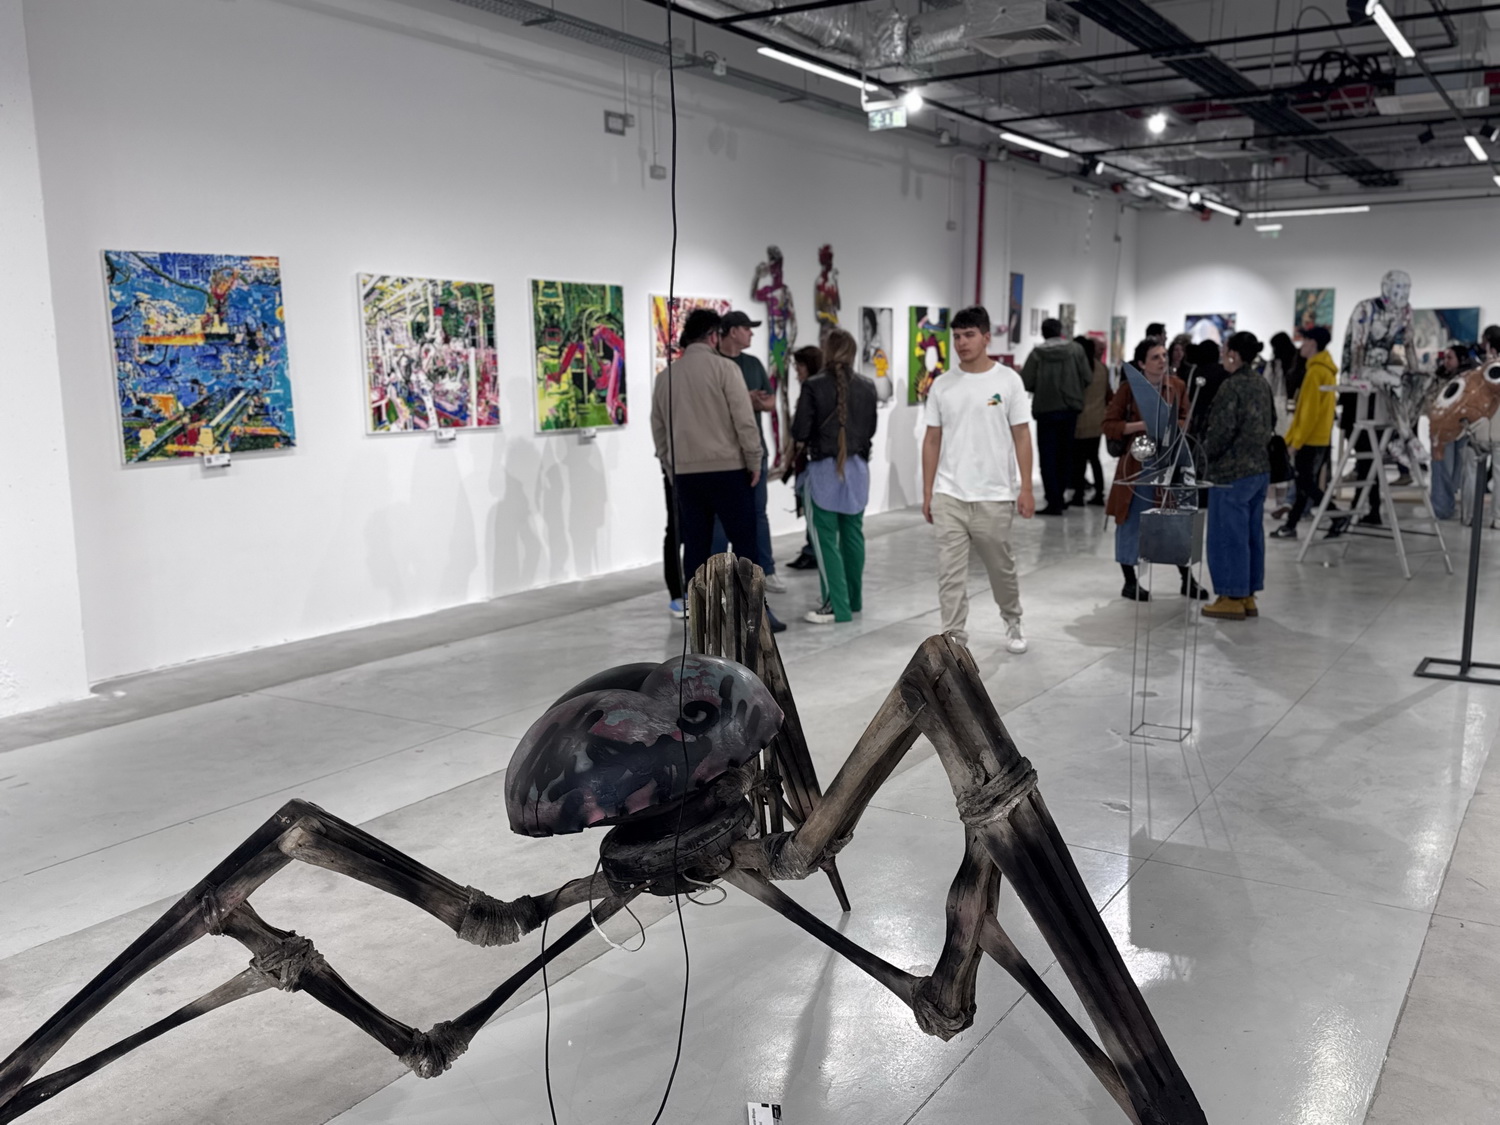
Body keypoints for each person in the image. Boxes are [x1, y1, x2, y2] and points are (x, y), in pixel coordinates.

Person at [922, 306, 1035, 654]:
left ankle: (1012, 619)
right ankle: (954, 638)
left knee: (1001, 569)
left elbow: (1022, 435)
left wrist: (1026, 488)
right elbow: (932, 439)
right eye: (956, 336)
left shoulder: (1008, 381)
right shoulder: (942, 385)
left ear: (986, 337)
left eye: (969, 335)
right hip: (950, 495)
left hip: (994, 495)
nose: (961, 342)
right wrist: (927, 493)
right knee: (950, 574)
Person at [650, 308, 766, 608]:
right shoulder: (725, 369)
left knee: (696, 545)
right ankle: (751, 613)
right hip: (728, 469)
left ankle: (700, 613)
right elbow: (744, 421)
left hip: (686, 474)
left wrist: (672, 467)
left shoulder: (665, 377)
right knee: (744, 543)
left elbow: (659, 429)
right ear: (714, 335)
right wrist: (754, 460)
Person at [793, 329, 877, 624]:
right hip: (857, 469)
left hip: (824, 471)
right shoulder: (868, 386)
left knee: (825, 540)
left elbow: (800, 431)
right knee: (853, 535)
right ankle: (853, 601)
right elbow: (870, 430)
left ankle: (835, 606)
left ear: (827, 351)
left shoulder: (813, 385)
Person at [1103, 340, 1196, 602]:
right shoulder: (1128, 389)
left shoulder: (1177, 386)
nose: (1162, 360)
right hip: (1136, 465)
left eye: (1164, 355)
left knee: (1174, 520)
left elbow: (1186, 420)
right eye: (1155, 357)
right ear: (1142, 363)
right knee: (1130, 521)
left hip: (1169, 462)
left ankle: (1186, 578)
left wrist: (1169, 426)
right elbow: (1109, 425)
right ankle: (1130, 581)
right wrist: (1143, 425)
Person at [1201, 331, 1276, 620]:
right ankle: (1247, 594)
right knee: (1250, 534)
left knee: (1226, 535)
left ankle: (1231, 596)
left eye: (1225, 350)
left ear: (1233, 354)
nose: (1222, 355)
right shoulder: (1261, 383)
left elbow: (1221, 431)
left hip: (1231, 473)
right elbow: (1272, 421)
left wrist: (1203, 456)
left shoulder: (1231, 386)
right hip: (1259, 469)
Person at [715, 310, 784, 594]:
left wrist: (745, 401)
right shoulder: (715, 364)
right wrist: (747, 398)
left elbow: (770, 403)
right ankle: (719, 578)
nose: (751, 333)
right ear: (733, 331)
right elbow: (714, 404)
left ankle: (765, 570)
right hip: (724, 454)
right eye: (747, 328)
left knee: (758, 513)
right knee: (720, 517)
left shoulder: (753, 364)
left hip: (756, 449)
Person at [1020, 317, 1092, 515]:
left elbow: (1026, 381)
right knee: (1066, 455)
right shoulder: (1076, 350)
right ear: (1060, 331)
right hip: (1070, 409)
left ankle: (1053, 500)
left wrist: (1043, 387)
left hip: (1046, 410)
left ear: (1043, 333)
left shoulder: (1037, 354)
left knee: (1048, 457)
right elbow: (1087, 377)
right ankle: (1061, 496)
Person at [1271, 326, 1338, 539]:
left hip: (1310, 440)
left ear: (1313, 344)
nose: (1301, 345)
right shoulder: (1324, 370)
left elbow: (1308, 414)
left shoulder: (1316, 372)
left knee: (1306, 484)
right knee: (1303, 485)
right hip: (1318, 438)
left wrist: (1295, 443)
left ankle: (1337, 516)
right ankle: (1291, 525)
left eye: (1305, 341)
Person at [783, 345, 824, 570]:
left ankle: (813, 550)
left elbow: (801, 430)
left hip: (811, 460)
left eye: (800, 365)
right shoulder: (818, 390)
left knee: (812, 507)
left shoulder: (813, 392)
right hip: (809, 459)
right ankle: (813, 549)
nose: (797, 370)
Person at [1429, 343, 1477, 521]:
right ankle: (1441, 507)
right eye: (1445, 358)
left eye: (1450, 358)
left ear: (1461, 359)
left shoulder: (1471, 379)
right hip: (1443, 429)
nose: (1446, 362)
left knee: (1459, 470)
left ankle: (1453, 506)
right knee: (1443, 468)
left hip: (1464, 429)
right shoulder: (1439, 378)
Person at [1070, 335, 1108, 506]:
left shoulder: (1078, 369)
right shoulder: (1102, 368)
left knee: (1079, 461)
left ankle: (1078, 495)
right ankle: (1099, 493)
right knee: (1094, 458)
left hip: (1081, 420)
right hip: (1097, 420)